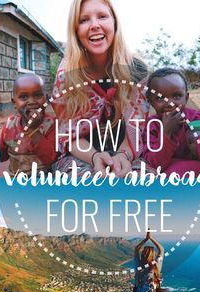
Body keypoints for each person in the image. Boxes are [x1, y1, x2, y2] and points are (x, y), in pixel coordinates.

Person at [52, 0, 150, 177]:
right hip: (82, 156)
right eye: (83, 20)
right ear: (75, 30)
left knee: (144, 183)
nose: (94, 25)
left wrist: (122, 156)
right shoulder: (66, 75)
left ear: (114, 22)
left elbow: (138, 128)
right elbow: (69, 136)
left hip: (129, 153)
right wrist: (95, 157)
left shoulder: (137, 70)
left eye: (102, 16)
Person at [143, 67, 200, 177]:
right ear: (151, 102)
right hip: (177, 174)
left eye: (176, 96)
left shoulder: (198, 118)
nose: (170, 103)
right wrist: (166, 133)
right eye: (160, 98)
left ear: (186, 98)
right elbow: (154, 163)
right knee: (172, 173)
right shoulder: (152, 126)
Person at [0, 73, 56, 176]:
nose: (31, 102)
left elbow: (51, 159)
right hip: (15, 181)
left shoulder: (51, 125)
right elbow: (2, 157)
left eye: (38, 95)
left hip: (44, 181)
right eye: (24, 97)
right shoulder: (10, 125)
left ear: (46, 99)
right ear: (14, 103)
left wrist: (33, 129)